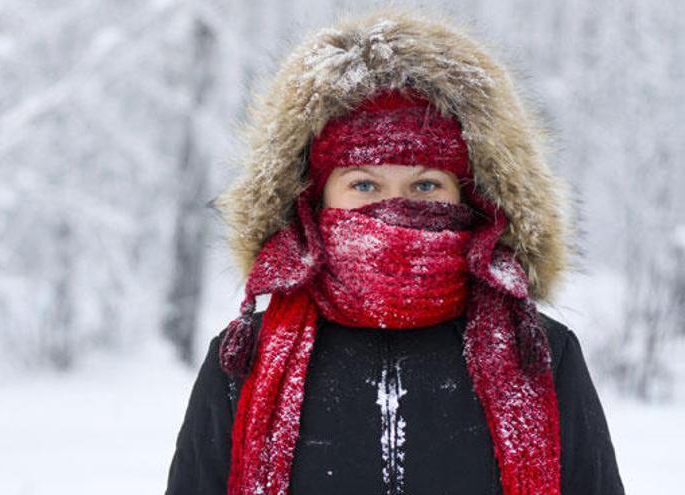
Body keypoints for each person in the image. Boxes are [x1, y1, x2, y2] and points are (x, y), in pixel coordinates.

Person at [165, 6, 625, 495]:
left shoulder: (540, 356)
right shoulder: (244, 362)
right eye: (363, 184)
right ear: (313, 201)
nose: (394, 207)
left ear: (470, 197)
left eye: (425, 185)